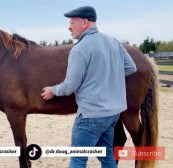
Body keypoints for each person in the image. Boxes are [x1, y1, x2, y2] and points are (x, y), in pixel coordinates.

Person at [41, 6, 137, 168]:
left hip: (90, 116)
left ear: (84, 22)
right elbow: (131, 68)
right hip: (112, 114)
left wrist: (52, 90)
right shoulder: (114, 42)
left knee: (78, 159)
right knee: (107, 157)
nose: (69, 27)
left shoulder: (79, 49)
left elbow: (70, 86)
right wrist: (108, 76)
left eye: (72, 23)